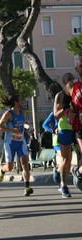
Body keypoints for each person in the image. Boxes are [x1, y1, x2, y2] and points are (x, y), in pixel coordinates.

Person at [0, 94, 33, 197]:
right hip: (10, 143)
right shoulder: (8, 114)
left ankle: (27, 187)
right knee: (10, 167)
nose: (22, 101)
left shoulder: (22, 113)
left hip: (21, 141)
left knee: (25, 163)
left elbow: (23, 124)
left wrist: (27, 126)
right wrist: (11, 129)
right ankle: (2, 169)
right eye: (21, 100)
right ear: (16, 102)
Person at [53, 72, 74, 198]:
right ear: (64, 83)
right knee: (66, 160)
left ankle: (61, 172)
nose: (71, 81)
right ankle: (63, 185)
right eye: (68, 79)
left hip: (77, 127)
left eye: (72, 78)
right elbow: (55, 114)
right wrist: (66, 110)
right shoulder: (60, 96)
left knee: (70, 161)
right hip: (64, 129)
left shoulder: (77, 93)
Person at [65, 57, 82, 190]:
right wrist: (68, 113)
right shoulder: (72, 86)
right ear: (77, 68)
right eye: (80, 65)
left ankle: (78, 171)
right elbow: (65, 105)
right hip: (79, 127)